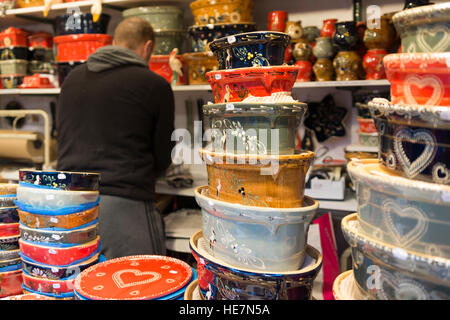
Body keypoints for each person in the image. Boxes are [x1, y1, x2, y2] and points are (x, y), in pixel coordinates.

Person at [56, 17, 175, 260]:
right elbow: (163, 158)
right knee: (141, 288)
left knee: (80, 290)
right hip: (125, 207)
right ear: (147, 47)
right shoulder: (155, 85)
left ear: (115, 42)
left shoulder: (72, 80)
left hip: (68, 205)